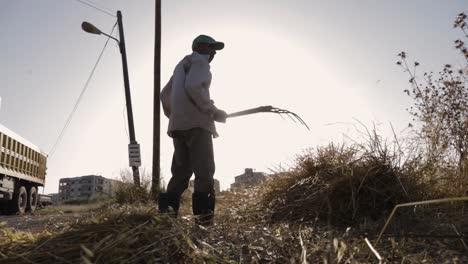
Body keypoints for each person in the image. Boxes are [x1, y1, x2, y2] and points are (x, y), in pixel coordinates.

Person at [159, 35, 227, 226]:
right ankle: (203, 224)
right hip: (197, 125)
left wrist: (176, 115)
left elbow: (164, 95)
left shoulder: (181, 65)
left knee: (180, 174)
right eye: (212, 48)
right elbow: (194, 86)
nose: (214, 52)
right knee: (204, 173)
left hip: (178, 126)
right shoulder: (200, 61)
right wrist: (212, 111)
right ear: (201, 47)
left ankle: (165, 220)